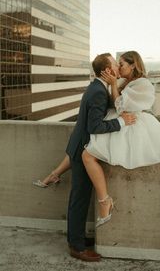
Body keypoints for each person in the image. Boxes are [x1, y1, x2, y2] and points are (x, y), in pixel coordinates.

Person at [34, 53, 136, 262]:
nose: (118, 66)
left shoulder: (98, 87)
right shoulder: (98, 91)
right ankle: (77, 247)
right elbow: (95, 126)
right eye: (115, 64)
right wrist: (123, 122)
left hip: (79, 145)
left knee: (79, 197)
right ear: (106, 71)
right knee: (79, 199)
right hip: (82, 150)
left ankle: (77, 237)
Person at [81, 51, 160, 229]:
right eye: (117, 64)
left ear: (133, 65)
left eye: (121, 64)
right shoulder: (124, 82)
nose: (118, 67)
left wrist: (113, 85)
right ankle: (56, 175)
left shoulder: (143, 84)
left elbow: (121, 107)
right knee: (87, 151)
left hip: (131, 125)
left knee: (88, 154)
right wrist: (115, 84)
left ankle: (104, 201)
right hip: (122, 123)